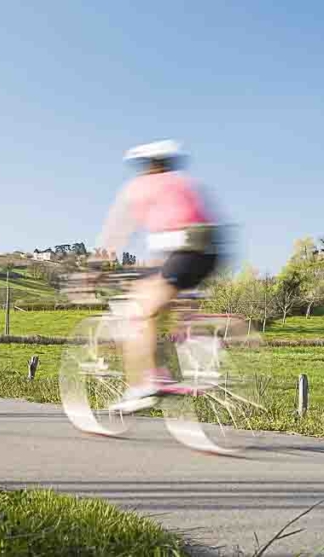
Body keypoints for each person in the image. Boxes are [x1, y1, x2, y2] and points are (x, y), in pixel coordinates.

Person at [92, 139, 220, 413]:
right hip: (209, 251)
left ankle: (147, 383)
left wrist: (95, 268)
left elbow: (117, 233)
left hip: (184, 251)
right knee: (166, 297)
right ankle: (195, 349)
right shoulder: (185, 183)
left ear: (147, 166)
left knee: (139, 312)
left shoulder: (139, 187)